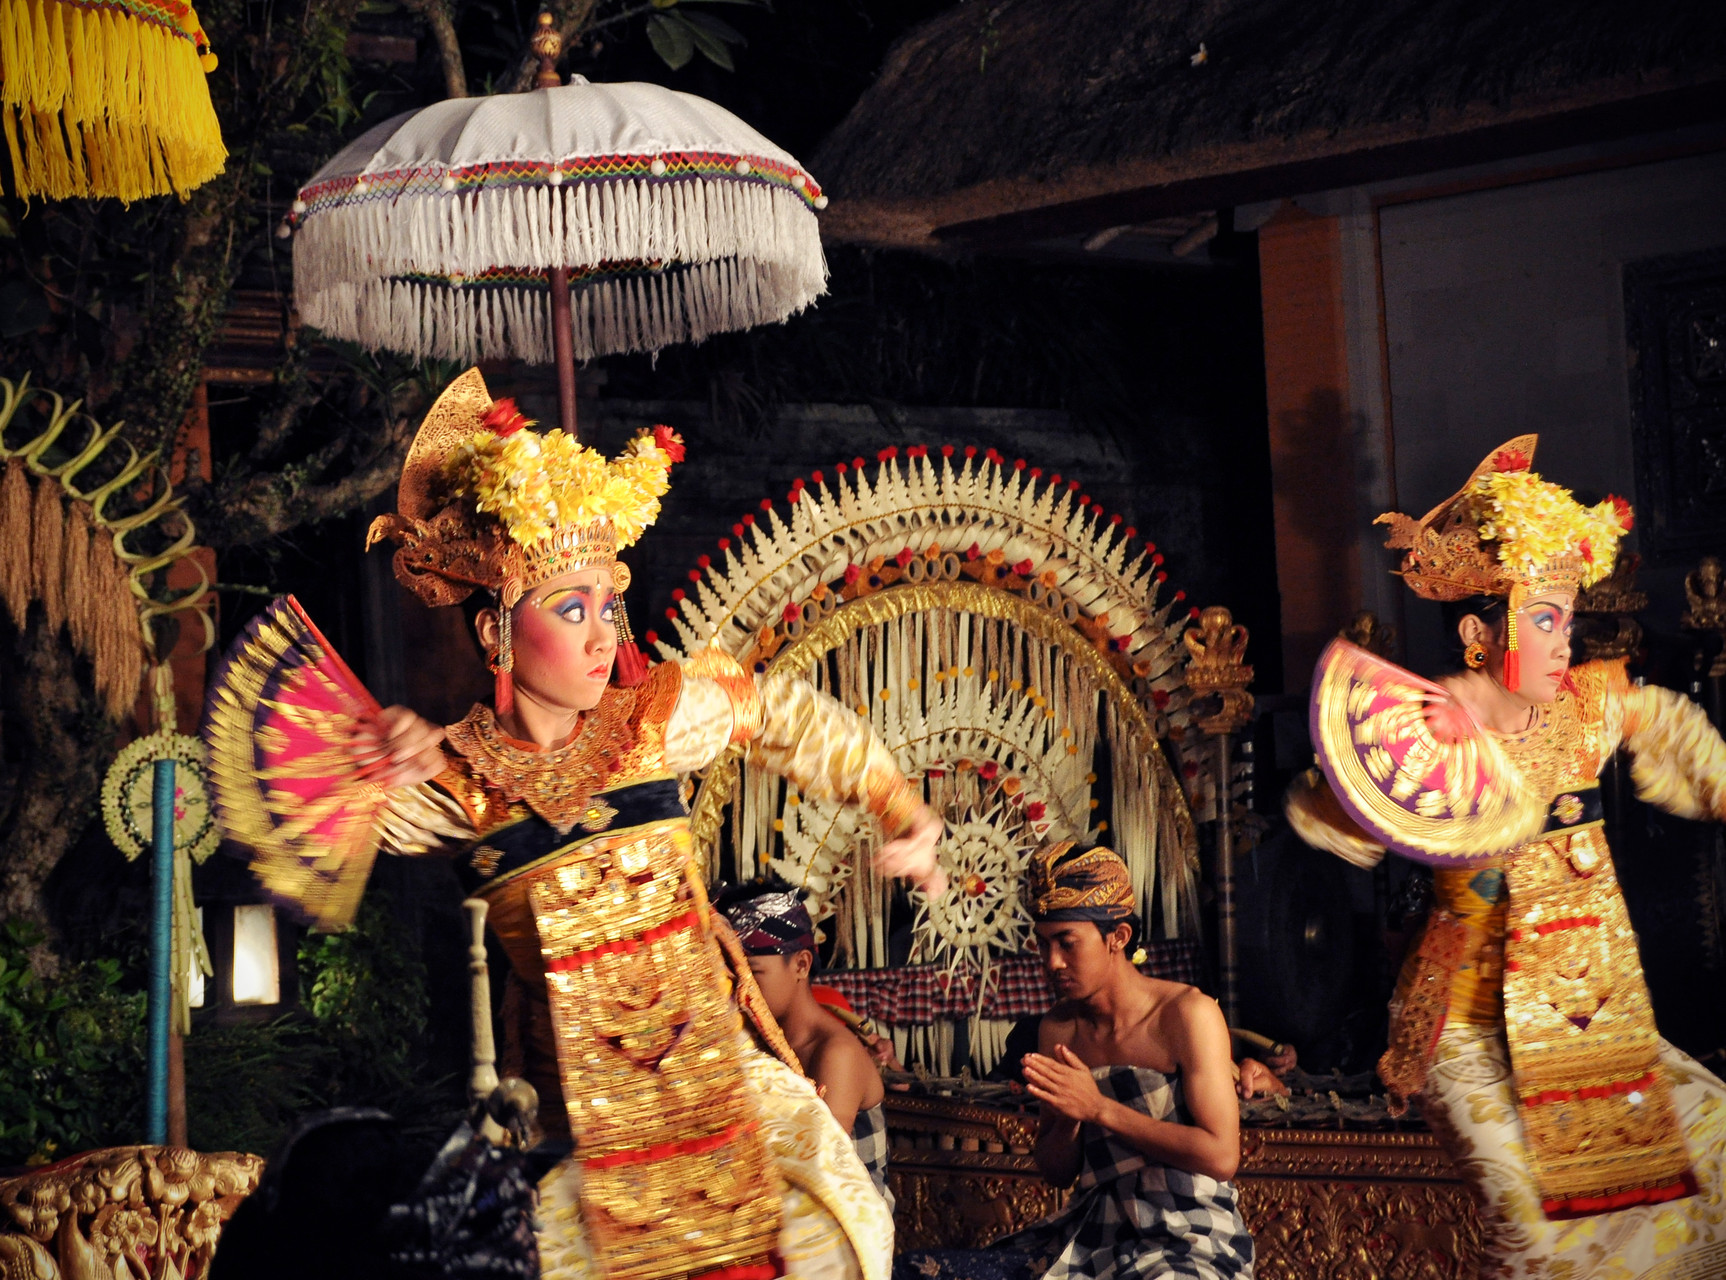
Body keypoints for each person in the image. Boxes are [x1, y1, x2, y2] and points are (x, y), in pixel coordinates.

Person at [206, 369, 948, 1280]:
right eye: (570, 608)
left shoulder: (652, 722)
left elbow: (790, 718)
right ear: (498, 638)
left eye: (608, 607)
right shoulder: (459, 785)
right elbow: (315, 806)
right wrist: (375, 750)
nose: (602, 636)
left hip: (723, 1101)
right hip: (582, 1140)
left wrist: (901, 809)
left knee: (838, 1241)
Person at [1288, 435, 1726, 1278]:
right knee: (1530, 1224)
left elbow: (1676, 728)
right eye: (1546, 619)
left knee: (1707, 1171)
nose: (1566, 641)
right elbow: (1326, 798)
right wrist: (1398, 750)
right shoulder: (1432, 718)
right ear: (1480, 634)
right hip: (1465, 1026)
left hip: (1589, 1022)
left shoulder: (1590, 704)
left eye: (1568, 618)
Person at [894, 842, 1255, 1280]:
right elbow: (1057, 1171)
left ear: (1117, 938)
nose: (1052, 962)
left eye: (1067, 943)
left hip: (1188, 1234)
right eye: (1043, 945)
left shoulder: (1186, 1014)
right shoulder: (1058, 1029)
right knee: (915, 1271)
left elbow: (1221, 1156)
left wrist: (1099, 1108)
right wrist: (1067, 1119)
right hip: (1091, 1233)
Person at [720, 883, 895, 1212]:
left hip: (845, 1240)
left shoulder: (835, 1053)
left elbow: (821, 1173)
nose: (739, 992)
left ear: (801, 965)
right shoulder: (755, 1044)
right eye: (731, 977)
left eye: (753, 974)